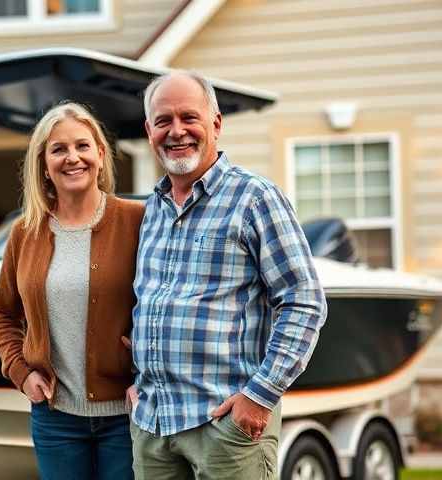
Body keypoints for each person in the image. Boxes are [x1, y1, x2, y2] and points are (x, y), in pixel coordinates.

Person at [128, 71, 328, 479]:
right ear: (149, 130)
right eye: (163, 121)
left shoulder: (255, 198)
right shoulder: (151, 210)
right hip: (154, 425)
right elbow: (150, 304)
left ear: (216, 124)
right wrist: (138, 381)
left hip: (226, 425)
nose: (176, 131)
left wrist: (261, 394)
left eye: (189, 117)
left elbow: (303, 300)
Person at [0, 102, 144, 480]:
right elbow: (3, 314)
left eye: (82, 146)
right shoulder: (25, 233)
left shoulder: (137, 220)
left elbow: (163, 306)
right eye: (59, 149)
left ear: (101, 154)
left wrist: (147, 374)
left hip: (126, 416)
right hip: (55, 420)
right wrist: (21, 371)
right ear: (43, 163)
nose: (72, 158)